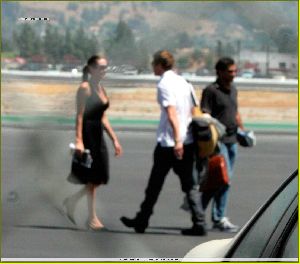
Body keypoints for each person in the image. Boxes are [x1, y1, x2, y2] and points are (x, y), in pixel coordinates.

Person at [120, 50, 207, 236]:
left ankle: (142, 220)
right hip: (188, 140)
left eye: (154, 63)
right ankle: (199, 222)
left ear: (160, 64)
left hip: (170, 143)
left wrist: (177, 141)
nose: (152, 67)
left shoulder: (164, 84)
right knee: (189, 184)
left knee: (155, 184)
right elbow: (194, 111)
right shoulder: (185, 83)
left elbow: (171, 113)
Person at [64, 55, 123, 230]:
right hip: (88, 134)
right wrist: (79, 140)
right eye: (101, 67)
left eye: (106, 67)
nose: (104, 70)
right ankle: (92, 218)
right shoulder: (85, 88)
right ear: (91, 69)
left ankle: (72, 201)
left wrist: (114, 139)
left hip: (98, 135)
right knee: (93, 178)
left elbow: (103, 117)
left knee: (100, 176)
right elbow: (80, 115)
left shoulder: (101, 89)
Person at [200, 57, 245, 232]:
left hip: (233, 141)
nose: (233, 74)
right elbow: (205, 116)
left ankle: (200, 211)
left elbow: (235, 113)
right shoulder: (210, 91)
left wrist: (243, 131)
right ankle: (218, 218)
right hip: (219, 143)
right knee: (223, 180)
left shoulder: (233, 90)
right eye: (230, 71)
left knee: (222, 181)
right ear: (219, 72)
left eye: (235, 71)